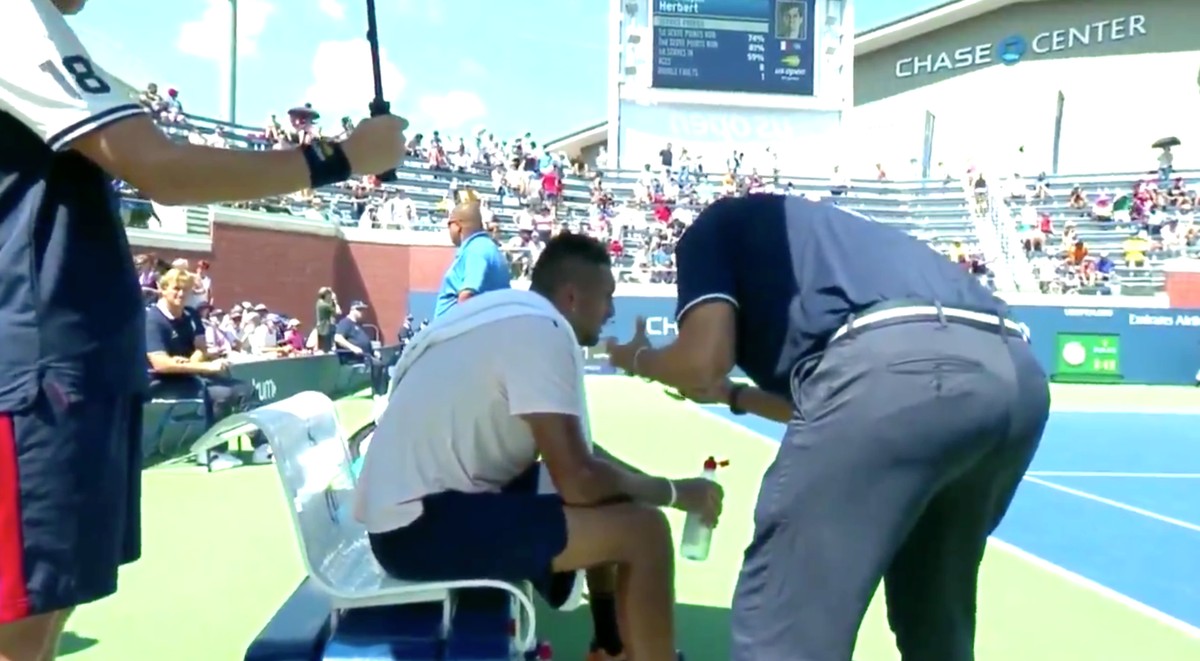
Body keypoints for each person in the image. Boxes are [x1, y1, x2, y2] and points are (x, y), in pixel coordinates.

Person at [0, 1, 405, 658]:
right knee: (18, 633)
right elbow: (160, 166)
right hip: (38, 381)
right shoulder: (14, 18)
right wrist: (338, 158)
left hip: (74, 378)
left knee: (40, 624)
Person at [606, 194, 1050, 661]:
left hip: (897, 369)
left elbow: (701, 360)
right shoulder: (831, 247)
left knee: (784, 628)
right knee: (933, 618)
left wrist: (639, 358)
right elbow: (820, 408)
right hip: (1015, 377)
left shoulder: (708, 230)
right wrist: (732, 395)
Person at [356, 233, 721, 661]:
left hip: (423, 510)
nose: (612, 311)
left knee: (614, 500)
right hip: (416, 530)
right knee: (646, 532)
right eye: (607, 296)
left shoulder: (512, 317)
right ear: (571, 296)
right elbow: (580, 482)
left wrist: (665, 486)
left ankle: (609, 646)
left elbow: (580, 456)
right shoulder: (539, 332)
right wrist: (676, 494)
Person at [145, 269, 270, 469]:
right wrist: (203, 366)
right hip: (163, 382)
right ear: (162, 289)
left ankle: (262, 446)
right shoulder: (153, 319)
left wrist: (189, 362)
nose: (181, 294)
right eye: (176, 289)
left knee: (244, 390)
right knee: (221, 394)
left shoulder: (191, 314)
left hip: (190, 375)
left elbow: (200, 348)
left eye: (185, 290)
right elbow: (161, 363)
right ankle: (212, 452)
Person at [432, 197, 511, 319]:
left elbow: (468, 294)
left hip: (455, 333)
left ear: (458, 226)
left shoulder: (476, 250)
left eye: (449, 224)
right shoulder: (486, 247)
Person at [333, 301, 389, 399]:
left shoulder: (359, 324)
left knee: (383, 364)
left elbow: (365, 342)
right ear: (353, 310)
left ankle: (383, 392)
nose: (362, 312)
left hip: (366, 355)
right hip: (352, 356)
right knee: (377, 365)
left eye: (363, 310)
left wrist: (373, 352)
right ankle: (377, 392)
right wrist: (353, 348)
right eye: (360, 310)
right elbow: (338, 338)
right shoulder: (345, 323)